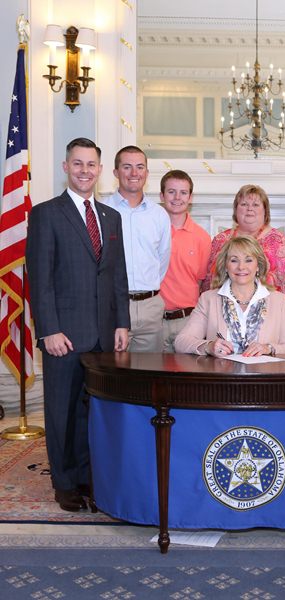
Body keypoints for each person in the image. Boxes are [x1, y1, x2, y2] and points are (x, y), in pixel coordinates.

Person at [26, 138, 130, 512]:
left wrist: (122, 323)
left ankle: (89, 477)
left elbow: (117, 275)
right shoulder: (46, 214)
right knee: (61, 411)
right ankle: (65, 483)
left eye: (91, 164)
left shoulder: (110, 217)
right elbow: (40, 280)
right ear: (65, 167)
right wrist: (48, 329)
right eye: (78, 163)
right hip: (64, 336)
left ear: (101, 170)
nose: (85, 170)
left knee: (93, 411)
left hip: (104, 335)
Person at [202, 183, 285, 351]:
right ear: (236, 210)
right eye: (244, 204)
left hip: (267, 322)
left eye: (255, 204)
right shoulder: (220, 241)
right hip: (223, 317)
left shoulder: (280, 241)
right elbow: (208, 280)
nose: (249, 209)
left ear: (265, 211)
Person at [175, 236, 285, 356]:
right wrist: (208, 346)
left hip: (263, 375)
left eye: (248, 260)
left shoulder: (278, 300)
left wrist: (268, 348)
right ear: (225, 266)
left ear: (258, 266)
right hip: (222, 374)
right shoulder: (209, 299)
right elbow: (181, 342)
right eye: (234, 260)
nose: (241, 267)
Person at [102, 145, 171, 352]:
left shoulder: (159, 215)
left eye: (140, 167)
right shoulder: (102, 211)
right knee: (113, 377)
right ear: (115, 172)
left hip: (150, 306)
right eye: (127, 167)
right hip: (113, 306)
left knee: (148, 377)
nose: (134, 173)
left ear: (147, 173)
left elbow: (162, 260)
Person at [159, 170, 211, 352]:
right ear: (161, 195)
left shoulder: (202, 238)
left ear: (190, 197)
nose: (177, 197)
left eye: (183, 192)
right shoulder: (152, 231)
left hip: (188, 321)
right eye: (171, 191)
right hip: (154, 320)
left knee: (187, 375)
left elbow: (200, 281)